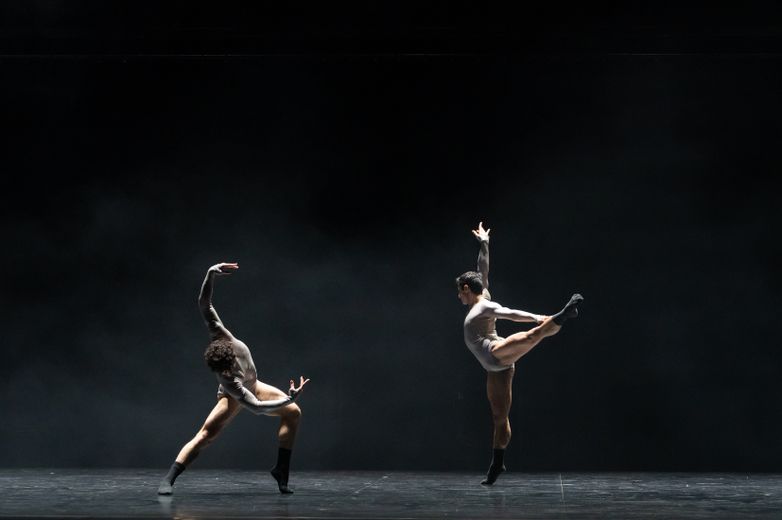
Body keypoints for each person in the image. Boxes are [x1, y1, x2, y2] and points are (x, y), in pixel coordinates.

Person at [158, 262, 310, 495]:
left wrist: (210, 273)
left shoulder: (219, 331)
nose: (226, 373)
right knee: (206, 435)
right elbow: (257, 407)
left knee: (294, 413)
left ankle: (281, 470)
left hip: (254, 384)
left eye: (228, 369)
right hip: (235, 396)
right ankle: (168, 479)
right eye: (223, 373)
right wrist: (287, 398)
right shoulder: (230, 382)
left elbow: (204, 303)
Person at [457, 223, 582, 485]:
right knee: (499, 417)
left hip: (497, 352)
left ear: (467, 289)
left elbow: (510, 314)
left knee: (531, 335)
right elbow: (483, 269)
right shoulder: (483, 293)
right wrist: (484, 243)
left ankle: (562, 315)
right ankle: (497, 463)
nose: (459, 296)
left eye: (460, 291)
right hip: (494, 368)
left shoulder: (484, 306)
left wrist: (539, 316)